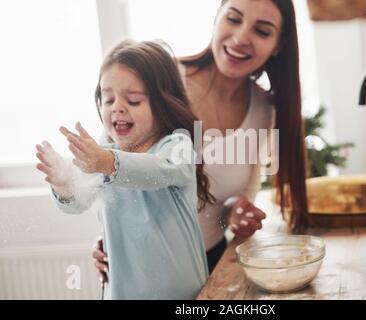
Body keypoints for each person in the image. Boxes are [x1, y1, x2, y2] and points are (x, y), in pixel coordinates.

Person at [93, 0, 308, 284]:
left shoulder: (264, 111)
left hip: (209, 266)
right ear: (216, 17)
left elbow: (235, 200)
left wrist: (233, 213)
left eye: (262, 31)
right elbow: (105, 167)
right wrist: (108, 237)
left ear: (278, 45)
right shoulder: (159, 81)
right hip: (139, 271)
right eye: (233, 18)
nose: (241, 37)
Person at [35, 40, 214, 299]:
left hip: (184, 295)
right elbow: (76, 205)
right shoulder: (103, 151)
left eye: (133, 100)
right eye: (108, 99)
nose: (117, 107)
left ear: (163, 103)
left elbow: (158, 171)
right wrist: (64, 184)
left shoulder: (176, 146)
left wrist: (107, 162)